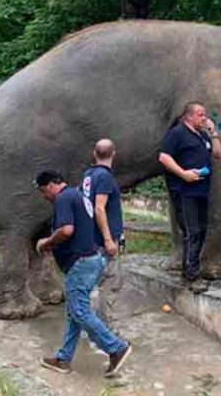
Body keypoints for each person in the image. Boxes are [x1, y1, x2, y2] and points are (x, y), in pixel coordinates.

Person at [35, 170, 132, 377]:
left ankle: (116, 348)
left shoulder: (63, 198)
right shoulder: (78, 195)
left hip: (80, 264)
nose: (44, 196)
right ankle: (63, 358)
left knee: (79, 312)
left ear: (53, 184)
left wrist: (47, 242)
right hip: (90, 259)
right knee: (74, 314)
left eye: (44, 190)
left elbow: (67, 230)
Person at [159, 102, 221, 293]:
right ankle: (191, 276)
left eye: (205, 114)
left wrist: (214, 133)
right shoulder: (177, 134)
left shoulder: (203, 135)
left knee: (201, 231)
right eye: (200, 115)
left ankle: (190, 270)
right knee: (191, 231)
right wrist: (183, 174)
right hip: (184, 190)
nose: (204, 118)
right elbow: (163, 157)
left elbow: (219, 154)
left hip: (201, 190)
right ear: (188, 117)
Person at [83, 139, 124, 327]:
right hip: (103, 240)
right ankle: (105, 329)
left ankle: (90, 324)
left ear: (94, 153)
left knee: (92, 283)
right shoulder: (105, 177)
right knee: (112, 282)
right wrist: (109, 239)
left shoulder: (88, 175)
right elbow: (100, 208)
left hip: (90, 237)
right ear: (113, 154)